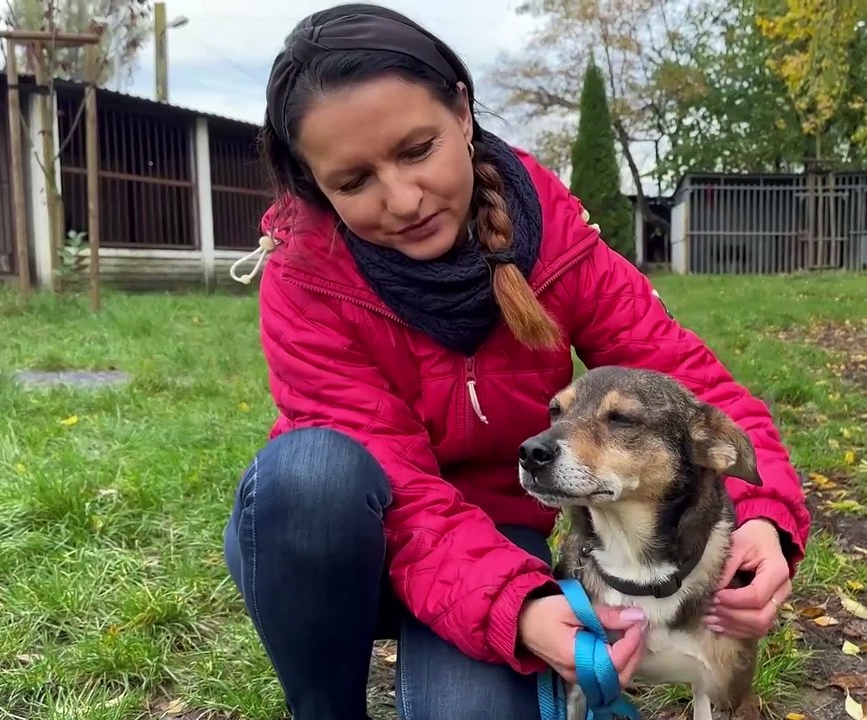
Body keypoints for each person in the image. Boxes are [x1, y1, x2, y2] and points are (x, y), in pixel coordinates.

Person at [222, 4, 812, 719]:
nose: (403, 199)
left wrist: (765, 519)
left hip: (496, 539)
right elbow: (402, 492)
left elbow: (691, 391)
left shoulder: (556, 243)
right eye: (353, 182)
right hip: (347, 548)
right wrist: (521, 607)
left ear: (463, 114)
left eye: (417, 150)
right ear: (316, 186)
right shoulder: (307, 280)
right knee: (308, 478)